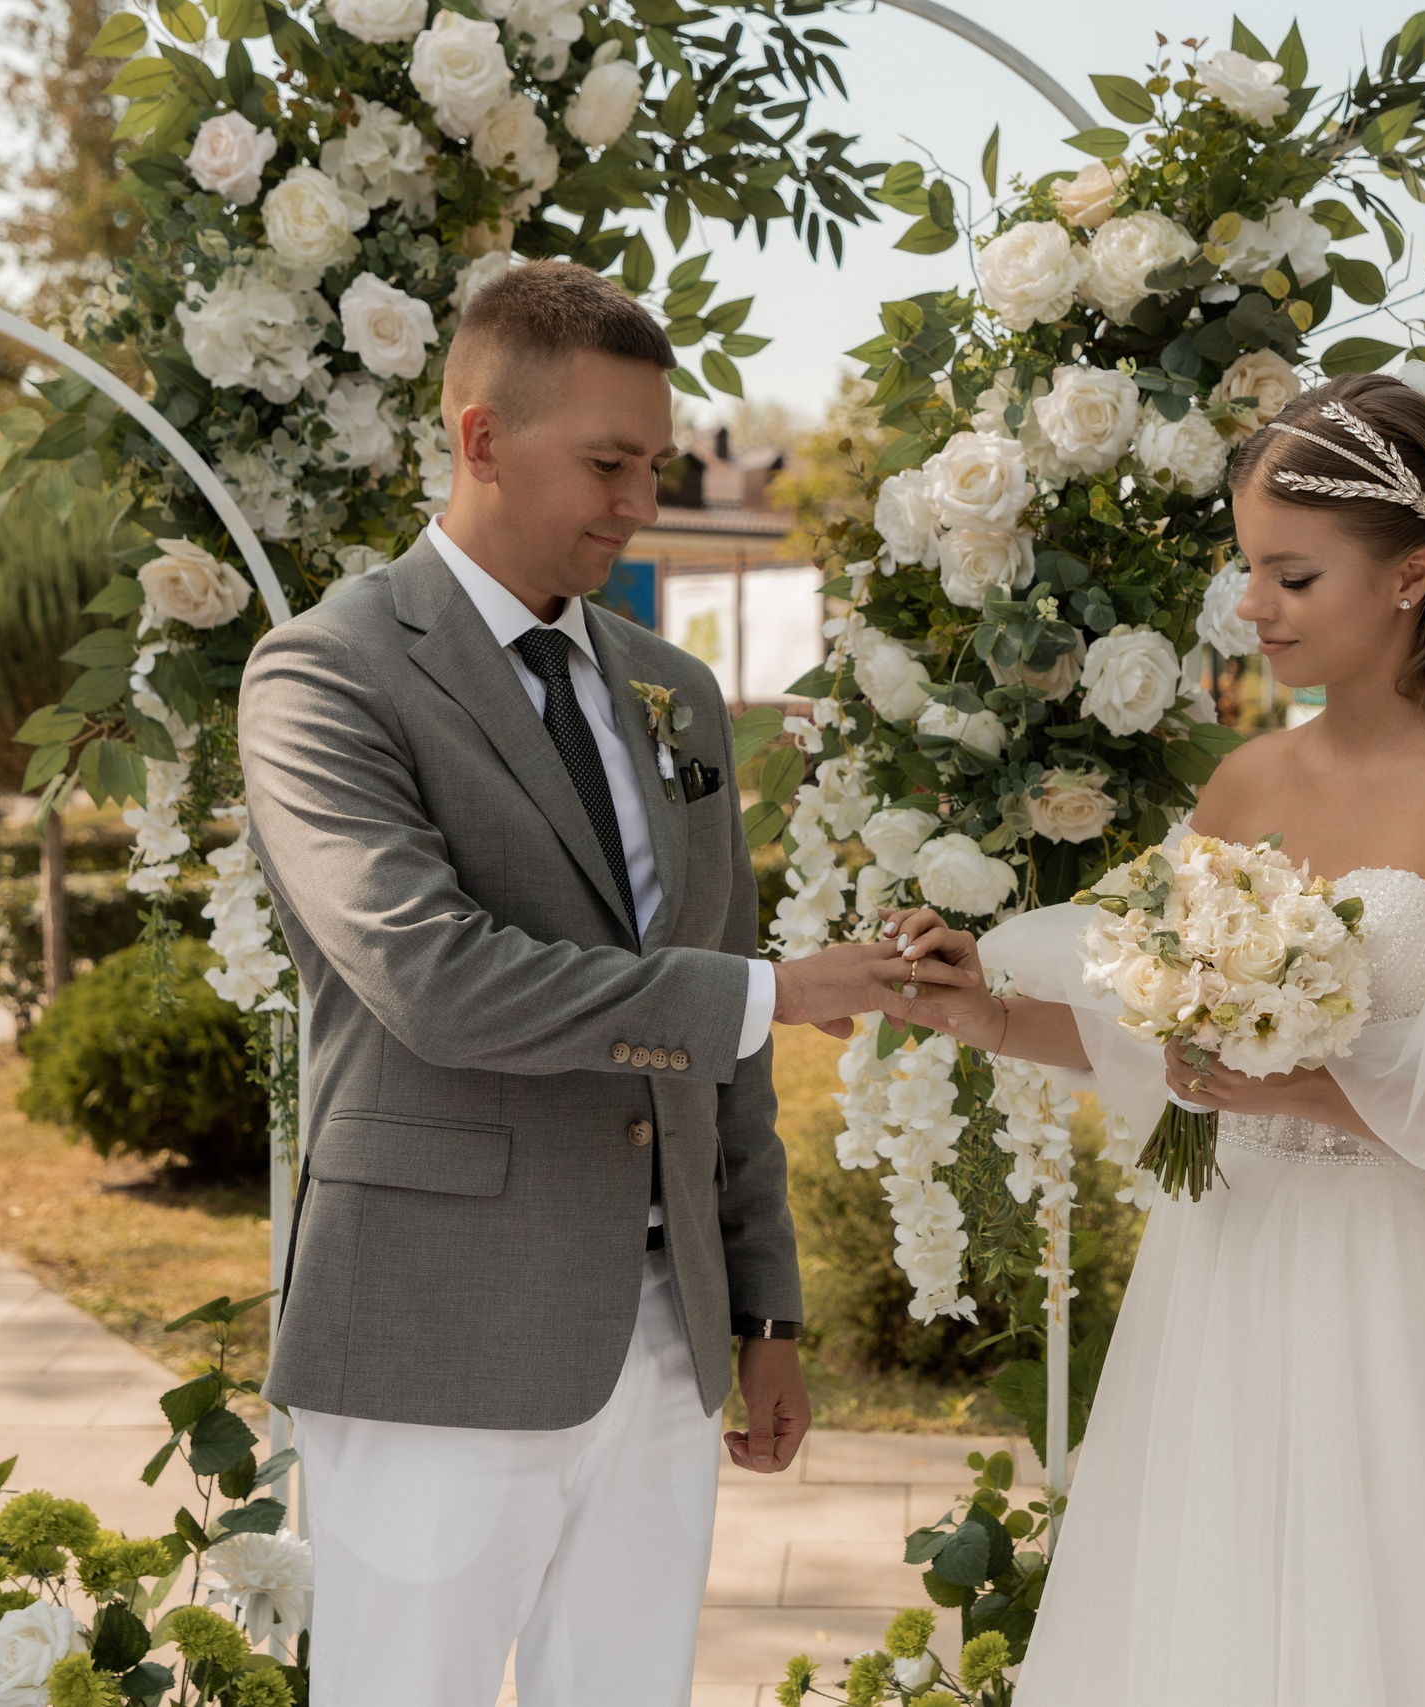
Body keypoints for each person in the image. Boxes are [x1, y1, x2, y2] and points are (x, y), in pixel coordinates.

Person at [873, 367, 1425, 1705]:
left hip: (1402, 1293)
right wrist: (993, 1011)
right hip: (1221, 1275)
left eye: (1293, 578)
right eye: (1250, 572)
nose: (1254, 609)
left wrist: (1317, 1095)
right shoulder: (1247, 783)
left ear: (1411, 576)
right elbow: (1161, 1027)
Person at [237, 259, 974, 1707]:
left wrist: (762, 1310)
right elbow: (439, 981)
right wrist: (771, 993)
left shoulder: (674, 691)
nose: (642, 499)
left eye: (656, 461)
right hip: (435, 1333)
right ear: (480, 439)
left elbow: (721, 1049)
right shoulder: (325, 675)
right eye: (610, 463)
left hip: (664, 1335)